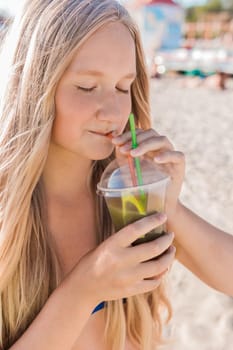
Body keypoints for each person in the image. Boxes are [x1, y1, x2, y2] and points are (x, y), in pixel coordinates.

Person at [0, 1, 179, 350]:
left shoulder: (129, 195)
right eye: (86, 87)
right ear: (33, 85)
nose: (112, 111)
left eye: (123, 87)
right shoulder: (7, 212)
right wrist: (85, 289)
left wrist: (170, 204)